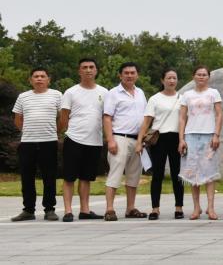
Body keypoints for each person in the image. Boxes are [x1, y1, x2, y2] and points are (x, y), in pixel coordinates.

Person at [58, 58, 108, 222]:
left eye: (91, 67)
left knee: (86, 177)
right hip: (74, 139)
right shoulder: (71, 92)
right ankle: (68, 211)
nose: (88, 70)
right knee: (69, 177)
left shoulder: (104, 92)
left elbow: (107, 117)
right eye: (84, 67)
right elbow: (64, 118)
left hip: (94, 141)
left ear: (96, 70)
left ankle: (85, 210)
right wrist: (65, 133)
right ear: (79, 71)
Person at [11, 67, 62, 222]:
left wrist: (55, 131)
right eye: (36, 76)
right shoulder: (23, 97)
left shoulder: (57, 95)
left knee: (49, 177)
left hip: (49, 142)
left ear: (48, 79)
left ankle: (49, 209)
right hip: (27, 143)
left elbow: (63, 117)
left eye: (42, 76)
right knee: (27, 177)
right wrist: (28, 131)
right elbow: (17, 119)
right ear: (30, 80)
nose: (39, 78)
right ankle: (28, 210)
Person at [101, 62, 147, 221]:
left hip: (137, 140)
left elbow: (145, 118)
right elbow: (107, 117)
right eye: (126, 73)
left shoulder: (140, 93)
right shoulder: (113, 93)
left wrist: (143, 139)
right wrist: (110, 140)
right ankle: (109, 209)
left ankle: (130, 208)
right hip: (120, 138)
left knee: (134, 176)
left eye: (132, 73)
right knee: (115, 174)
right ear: (120, 75)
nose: (129, 75)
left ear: (137, 75)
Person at [135, 68, 183, 220]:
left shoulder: (182, 98)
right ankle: (155, 208)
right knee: (157, 175)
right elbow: (146, 122)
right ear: (162, 80)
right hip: (159, 139)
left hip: (176, 138)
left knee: (177, 174)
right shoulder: (155, 99)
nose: (172, 81)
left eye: (174, 78)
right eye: (169, 78)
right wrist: (139, 142)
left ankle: (179, 207)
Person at [178, 65, 223, 220]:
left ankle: (211, 207)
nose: (201, 77)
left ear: (208, 77)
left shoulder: (213, 93)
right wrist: (181, 139)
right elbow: (182, 117)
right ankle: (196, 207)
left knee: (209, 171)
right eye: (199, 74)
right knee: (193, 172)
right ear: (193, 76)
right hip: (190, 135)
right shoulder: (186, 95)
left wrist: (216, 135)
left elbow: (219, 115)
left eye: (204, 74)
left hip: (209, 135)